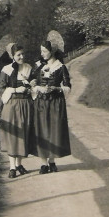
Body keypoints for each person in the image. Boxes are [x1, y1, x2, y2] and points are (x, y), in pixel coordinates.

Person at [31, 40, 72, 174]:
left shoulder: (60, 67)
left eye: (44, 51)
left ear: (52, 52)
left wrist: (56, 88)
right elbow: (31, 83)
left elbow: (67, 86)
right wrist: (38, 88)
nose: (42, 54)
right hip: (41, 102)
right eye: (41, 51)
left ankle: (52, 161)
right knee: (42, 130)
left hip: (55, 102)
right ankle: (43, 163)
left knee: (54, 130)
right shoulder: (37, 66)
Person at [0, 43, 36, 178]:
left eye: (23, 54)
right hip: (11, 105)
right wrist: (14, 89)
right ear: (12, 56)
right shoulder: (6, 70)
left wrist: (30, 86)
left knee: (23, 134)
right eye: (18, 55)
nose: (22, 57)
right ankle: (12, 167)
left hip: (25, 105)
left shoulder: (28, 68)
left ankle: (19, 164)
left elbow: (34, 86)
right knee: (12, 135)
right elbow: (0, 90)